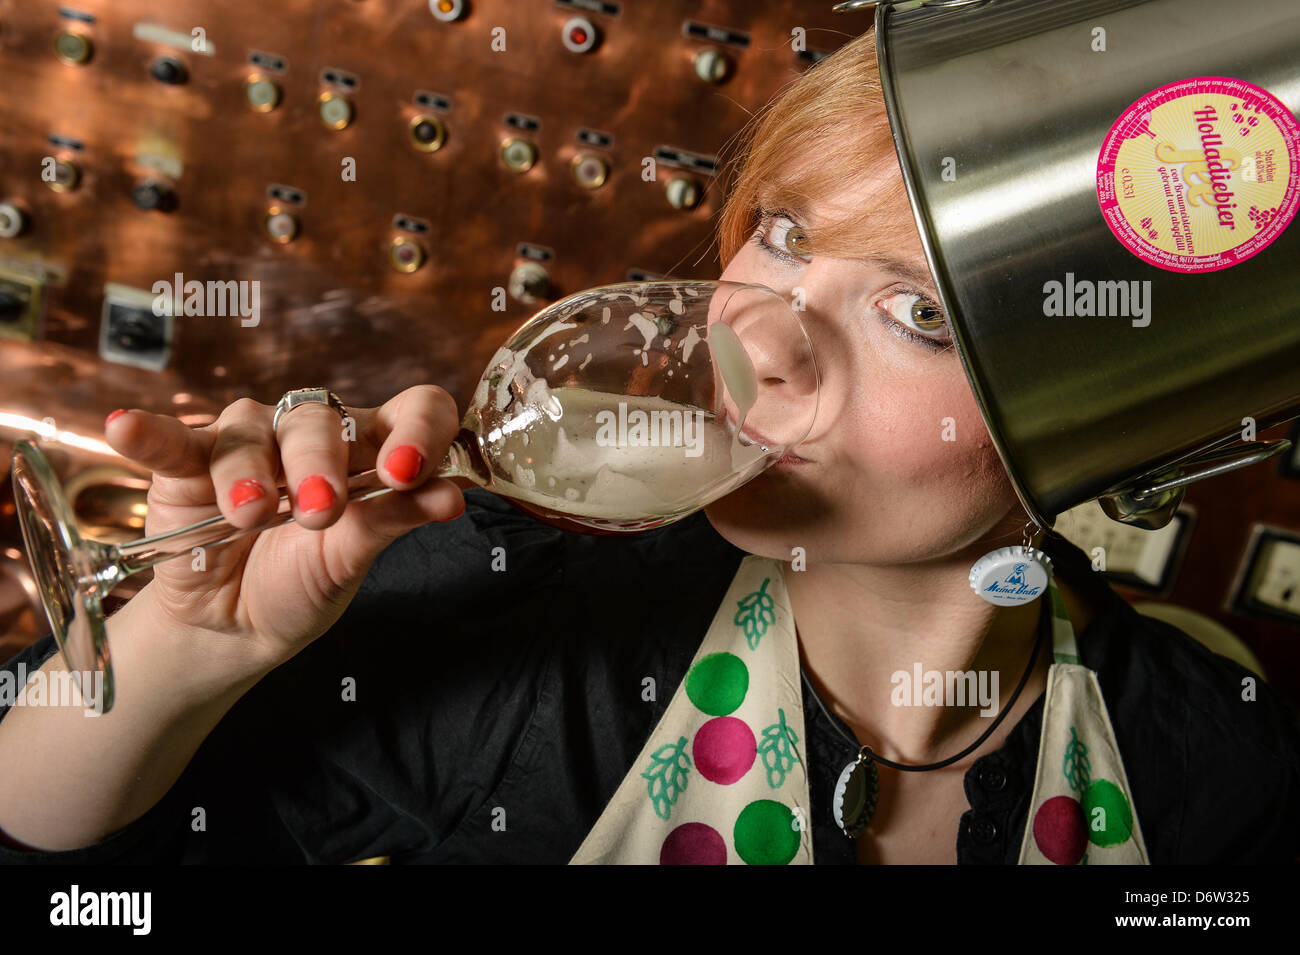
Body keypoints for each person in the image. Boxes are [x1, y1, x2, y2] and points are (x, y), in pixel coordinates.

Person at [1, 28, 1297, 866]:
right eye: (785, 234)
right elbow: (61, 865)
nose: (765, 340)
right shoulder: (528, 612)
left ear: (1102, 424)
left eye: (916, 313)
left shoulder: (1219, 776)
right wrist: (182, 656)